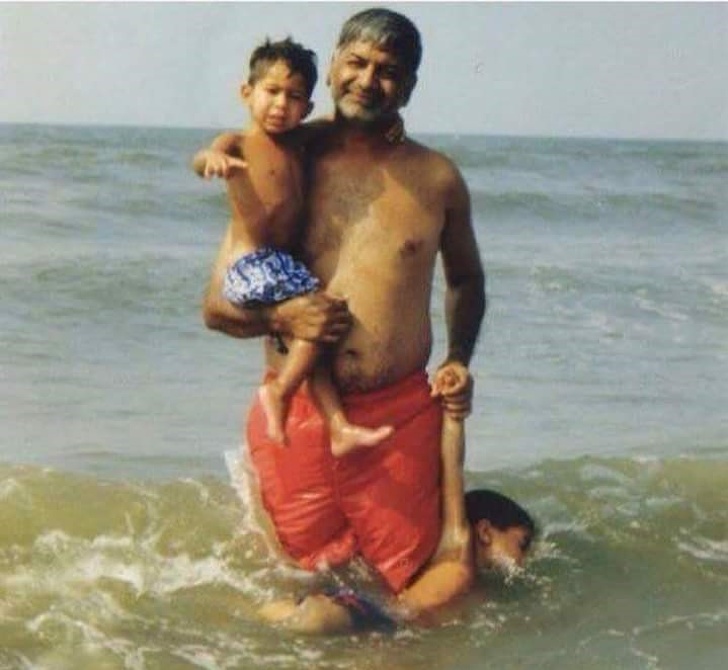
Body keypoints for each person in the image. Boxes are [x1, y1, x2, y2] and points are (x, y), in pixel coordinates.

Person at [202, 8, 486, 596]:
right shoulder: (282, 162)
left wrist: (458, 358)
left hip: (398, 421)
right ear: (332, 67)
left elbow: (465, 280)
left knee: (410, 596)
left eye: (388, 71)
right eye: (356, 63)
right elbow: (216, 307)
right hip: (297, 416)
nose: (367, 80)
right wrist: (283, 315)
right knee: (297, 592)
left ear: (409, 86)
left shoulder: (437, 179)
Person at [193, 37, 393, 455]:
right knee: (321, 315)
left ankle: (337, 427)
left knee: (315, 333)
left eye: (294, 96)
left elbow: (338, 124)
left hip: (278, 264)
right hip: (251, 263)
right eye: (271, 91)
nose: (281, 104)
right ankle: (281, 391)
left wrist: (388, 126)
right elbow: (207, 154)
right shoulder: (239, 142)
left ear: (306, 106)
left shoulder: (300, 141)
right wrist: (212, 161)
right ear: (246, 93)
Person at [257, 409, 537, 634]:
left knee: (280, 613)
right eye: (521, 543)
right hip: (382, 616)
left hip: (382, 618)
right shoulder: (457, 551)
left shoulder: (458, 571)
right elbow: (452, 466)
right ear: (485, 531)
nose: (523, 558)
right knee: (314, 620)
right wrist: (455, 416)